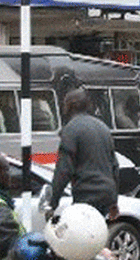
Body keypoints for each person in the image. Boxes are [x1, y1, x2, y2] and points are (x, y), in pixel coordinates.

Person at [51, 88, 119, 219]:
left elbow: (63, 170)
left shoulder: (71, 129)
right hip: (107, 194)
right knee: (99, 235)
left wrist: (53, 203)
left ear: (69, 106)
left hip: (87, 195)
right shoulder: (103, 127)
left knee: (83, 236)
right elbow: (115, 167)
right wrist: (114, 201)